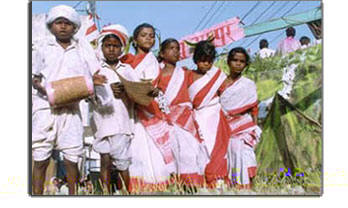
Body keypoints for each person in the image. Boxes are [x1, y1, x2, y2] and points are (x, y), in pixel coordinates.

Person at [31, 5, 106, 195]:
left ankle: (73, 195)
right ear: (51, 26)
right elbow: (34, 77)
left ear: (74, 28)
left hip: (72, 108)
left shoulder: (82, 48)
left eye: (67, 23)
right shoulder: (43, 47)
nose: (63, 27)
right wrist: (44, 88)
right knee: (41, 155)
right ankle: (36, 195)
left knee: (72, 156)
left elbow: (96, 73)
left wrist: (94, 84)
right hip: (45, 106)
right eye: (59, 23)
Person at [120, 23, 177, 193]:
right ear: (135, 40)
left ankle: (159, 188)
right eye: (144, 35)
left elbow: (159, 87)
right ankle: (137, 189)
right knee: (136, 152)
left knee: (156, 150)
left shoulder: (156, 63)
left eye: (151, 35)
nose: (148, 38)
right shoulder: (127, 61)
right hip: (132, 112)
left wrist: (155, 90)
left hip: (151, 111)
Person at [157, 38, 209, 190]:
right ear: (162, 53)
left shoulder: (185, 73)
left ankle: (191, 186)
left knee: (189, 151)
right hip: (165, 119)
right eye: (171, 48)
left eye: (177, 48)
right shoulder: (156, 74)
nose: (175, 51)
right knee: (171, 153)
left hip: (185, 119)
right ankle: (175, 186)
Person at [91, 24, 134, 194]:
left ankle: (126, 194)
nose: (111, 49)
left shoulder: (128, 70)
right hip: (102, 121)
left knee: (122, 161)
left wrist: (125, 90)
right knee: (105, 161)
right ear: (102, 47)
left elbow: (138, 92)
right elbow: (88, 92)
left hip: (122, 121)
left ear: (121, 49)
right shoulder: (95, 69)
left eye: (115, 46)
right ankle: (105, 195)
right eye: (108, 45)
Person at [187, 40, 231, 189]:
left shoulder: (218, 75)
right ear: (196, 59)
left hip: (215, 117)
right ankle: (203, 181)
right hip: (198, 117)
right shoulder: (188, 75)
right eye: (202, 60)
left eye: (209, 61)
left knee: (217, 148)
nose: (206, 64)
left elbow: (225, 95)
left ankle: (218, 180)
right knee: (202, 148)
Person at [219, 47, 262, 190]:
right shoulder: (220, 83)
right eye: (235, 60)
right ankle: (235, 187)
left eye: (242, 61)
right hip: (226, 128)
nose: (238, 64)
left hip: (245, 127)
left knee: (246, 155)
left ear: (246, 64)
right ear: (229, 62)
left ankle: (249, 188)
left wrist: (255, 129)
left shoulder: (248, 84)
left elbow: (254, 108)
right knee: (231, 156)